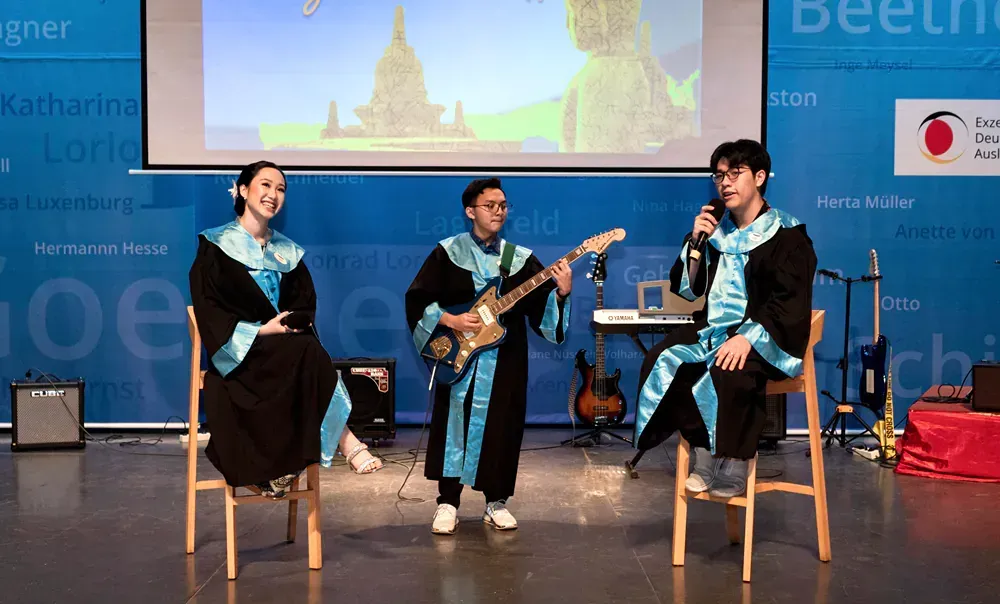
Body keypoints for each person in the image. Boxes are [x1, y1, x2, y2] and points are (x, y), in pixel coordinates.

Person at [633, 139, 817, 498]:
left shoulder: (787, 235)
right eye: (719, 176)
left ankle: (734, 460)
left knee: (728, 368)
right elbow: (687, 290)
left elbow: (789, 301)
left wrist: (748, 336)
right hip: (713, 330)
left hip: (764, 337)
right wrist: (697, 244)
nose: (725, 183)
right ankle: (705, 453)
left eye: (735, 173)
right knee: (665, 358)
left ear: (760, 177)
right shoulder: (715, 233)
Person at [188, 160, 382, 498]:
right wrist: (262, 331)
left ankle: (291, 466)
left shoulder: (287, 252)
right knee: (309, 352)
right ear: (244, 189)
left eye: (280, 189)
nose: (273, 194)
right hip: (240, 355)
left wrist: (290, 323)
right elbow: (210, 309)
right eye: (265, 185)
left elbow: (305, 303)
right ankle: (346, 441)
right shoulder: (215, 247)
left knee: (306, 349)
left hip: (286, 353)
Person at [405, 178, 573, 535]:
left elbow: (540, 310)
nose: (498, 211)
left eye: (503, 205)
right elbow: (417, 299)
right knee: (453, 427)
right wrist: (449, 318)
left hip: (506, 358)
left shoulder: (520, 259)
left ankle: (496, 502)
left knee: (503, 427)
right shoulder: (447, 252)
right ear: (470, 212)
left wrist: (561, 294)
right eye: (490, 205)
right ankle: (447, 502)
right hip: (459, 357)